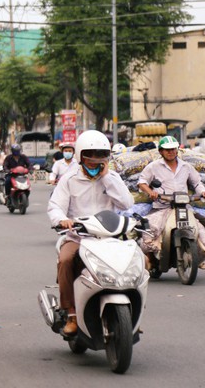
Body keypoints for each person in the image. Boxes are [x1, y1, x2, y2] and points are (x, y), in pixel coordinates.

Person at [47, 130, 133, 336]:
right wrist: (62, 220)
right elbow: (55, 206)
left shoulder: (112, 177)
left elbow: (127, 203)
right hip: (79, 237)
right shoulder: (68, 179)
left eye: (100, 157)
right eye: (90, 157)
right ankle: (72, 314)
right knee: (66, 260)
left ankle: (130, 312)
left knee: (136, 260)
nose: (95, 163)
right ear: (80, 156)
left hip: (109, 237)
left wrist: (106, 179)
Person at [137, 135, 205, 270]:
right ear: (161, 151)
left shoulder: (186, 167)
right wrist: (151, 192)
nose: (170, 152)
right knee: (149, 230)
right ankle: (150, 258)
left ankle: (198, 254)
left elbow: (196, 183)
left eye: (173, 149)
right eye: (167, 150)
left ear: (177, 150)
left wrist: (203, 192)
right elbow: (142, 182)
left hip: (184, 207)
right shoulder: (153, 167)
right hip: (162, 207)